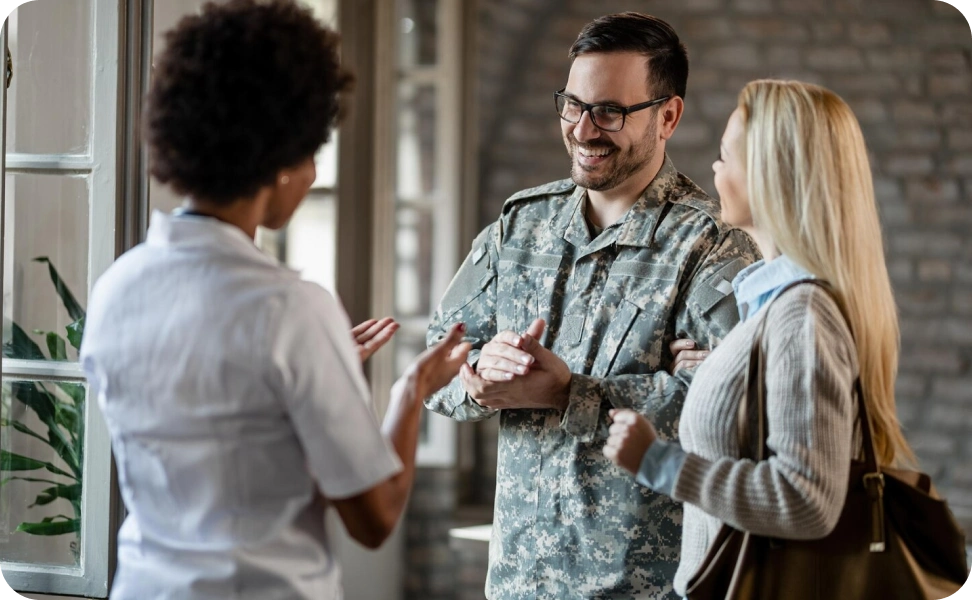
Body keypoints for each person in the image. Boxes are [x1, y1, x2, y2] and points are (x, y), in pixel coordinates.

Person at [79, 2, 470, 598]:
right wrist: (410, 391)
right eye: (312, 151)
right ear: (280, 156)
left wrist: (322, 372)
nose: (314, 172)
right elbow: (377, 517)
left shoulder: (117, 287)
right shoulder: (290, 309)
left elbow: (215, 434)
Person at [425, 12, 759, 599]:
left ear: (668, 116)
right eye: (572, 105)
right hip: (516, 584)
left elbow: (737, 414)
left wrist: (570, 394)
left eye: (609, 111)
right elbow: (437, 361)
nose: (582, 129)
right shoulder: (519, 226)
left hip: (643, 588)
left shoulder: (711, 245)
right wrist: (479, 378)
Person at [604, 79, 916, 598]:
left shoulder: (803, 315)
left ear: (771, 175)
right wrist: (723, 373)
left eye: (726, 156)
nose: (714, 169)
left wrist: (657, 462)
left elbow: (805, 500)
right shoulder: (777, 308)